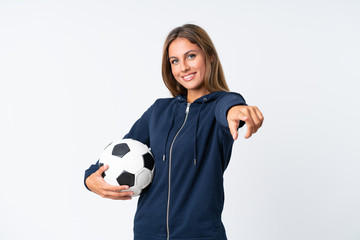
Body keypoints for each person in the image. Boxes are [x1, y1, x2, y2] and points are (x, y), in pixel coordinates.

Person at [84, 24, 264, 240]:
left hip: (202, 235)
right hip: (148, 233)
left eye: (191, 56)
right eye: (175, 61)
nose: (183, 67)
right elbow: (120, 152)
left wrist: (236, 110)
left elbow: (229, 104)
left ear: (210, 56)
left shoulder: (219, 106)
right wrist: (90, 179)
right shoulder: (159, 111)